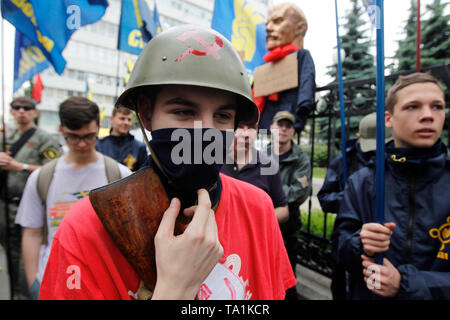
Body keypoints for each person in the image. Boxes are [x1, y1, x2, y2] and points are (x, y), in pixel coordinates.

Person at [39, 25, 296, 300]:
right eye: (184, 112)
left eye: (222, 116)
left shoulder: (258, 208)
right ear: (147, 115)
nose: (205, 131)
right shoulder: (87, 228)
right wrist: (174, 290)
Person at [334, 72, 450, 299]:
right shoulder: (363, 181)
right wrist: (361, 245)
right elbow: (341, 252)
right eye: (412, 107)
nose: (428, 115)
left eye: (437, 106)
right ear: (388, 119)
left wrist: (406, 284)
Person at [15, 97, 131, 299]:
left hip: (104, 282)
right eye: (73, 137)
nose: (82, 143)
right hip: (53, 280)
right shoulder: (41, 178)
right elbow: (32, 233)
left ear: (98, 129)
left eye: (89, 136)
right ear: (61, 130)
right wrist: (34, 280)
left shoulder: (120, 175)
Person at [317, 112, 393, 300]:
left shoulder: (393, 160)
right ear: (359, 138)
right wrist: (354, 196)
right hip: (348, 236)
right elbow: (325, 198)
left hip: (381, 244)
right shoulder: (344, 159)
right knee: (341, 288)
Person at [0, 97, 60, 299]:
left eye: (27, 108)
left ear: (35, 112)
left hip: (30, 209)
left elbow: (55, 170)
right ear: (11, 112)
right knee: (9, 256)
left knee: (26, 261)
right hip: (4, 207)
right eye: (17, 108)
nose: (21, 112)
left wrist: (20, 167)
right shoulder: (6, 136)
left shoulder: (44, 138)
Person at [267, 110, 311, 300]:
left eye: (288, 126)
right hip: (264, 221)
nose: (283, 129)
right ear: (271, 128)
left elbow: (301, 191)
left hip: (288, 223)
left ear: (293, 131)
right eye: (279, 125)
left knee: (287, 274)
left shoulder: (301, 158)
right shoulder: (261, 153)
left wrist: (271, 193)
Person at [254, 2, 316, 133]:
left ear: (300, 28)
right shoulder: (264, 66)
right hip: (262, 127)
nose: (268, 28)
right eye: (267, 24)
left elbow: (307, 83)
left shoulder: (301, 56)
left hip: (284, 125)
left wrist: (299, 118)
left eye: (277, 21)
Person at [221, 119, 289, 224]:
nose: (246, 134)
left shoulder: (268, 165)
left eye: (252, 128)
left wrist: (257, 222)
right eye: (239, 127)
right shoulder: (213, 162)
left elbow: (283, 210)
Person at [96, 106, 147, 171]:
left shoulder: (140, 147)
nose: (126, 122)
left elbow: (144, 176)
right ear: (111, 119)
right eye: (122, 118)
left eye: (129, 119)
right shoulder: (99, 145)